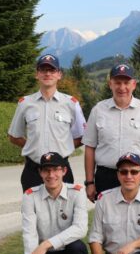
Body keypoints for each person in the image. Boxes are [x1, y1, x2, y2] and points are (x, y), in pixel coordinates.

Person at [82, 63, 140, 202]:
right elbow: (90, 148)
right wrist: (89, 182)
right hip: (106, 177)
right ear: (110, 84)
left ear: (134, 84)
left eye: (126, 83)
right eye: (117, 83)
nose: (122, 88)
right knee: (107, 221)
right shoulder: (98, 110)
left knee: (139, 221)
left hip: (136, 176)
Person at [8, 54, 87, 191]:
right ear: (37, 74)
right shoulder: (25, 103)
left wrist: (63, 147)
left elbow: (82, 137)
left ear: (59, 74)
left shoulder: (71, 103)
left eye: (52, 70)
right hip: (34, 169)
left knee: (63, 212)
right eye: (43, 70)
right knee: (32, 212)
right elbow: (14, 136)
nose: (47, 73)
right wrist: (33, 146)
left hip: (61, 170)